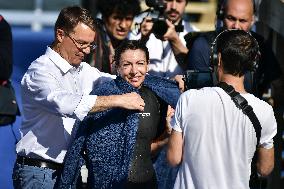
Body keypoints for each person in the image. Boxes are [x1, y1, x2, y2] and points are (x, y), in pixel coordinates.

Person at [12, 6, 145, 189]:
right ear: (60, 35)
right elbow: (66, 104)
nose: (87, 51)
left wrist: (158, 81)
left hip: (68, 172)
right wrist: (119, 100)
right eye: (81, 43)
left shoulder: (82, 70)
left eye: (90, 45)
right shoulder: (40, 71)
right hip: (39, 174)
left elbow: (118, 81)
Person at [57, 40, 181, 189]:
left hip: (149, 183)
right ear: (116, 66)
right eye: (127, 64)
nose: (134, 71)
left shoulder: (157, 97)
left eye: (140, 63)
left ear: (147, 64)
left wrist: (166, 137)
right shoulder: (103, 96)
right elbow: (79, 146)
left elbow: (142, 148)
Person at [167, 29, 277, 189]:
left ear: (217, 59)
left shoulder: (188, 99)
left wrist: (170, 128)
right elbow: (265, 169)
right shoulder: (265, 111)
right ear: (252, 64)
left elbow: (173, 158)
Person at [186, 0, 281, 98]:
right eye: (231, 18)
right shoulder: (202, 45)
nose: (236, 26)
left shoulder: (261, 45)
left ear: (252, 20)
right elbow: (197, 97)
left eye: (243, 21)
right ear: (221, 14)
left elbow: (278, 85)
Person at [133, 0, 198, 78]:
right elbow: (129, 64)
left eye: (179, 1)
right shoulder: (142, 28)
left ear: (186, 3)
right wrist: (143, 40)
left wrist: (174, 40)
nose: (173, 7)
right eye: (169, 0)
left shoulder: (194, 33)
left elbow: (196, 69)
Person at [87, 0, 141, 74]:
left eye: (128, 19)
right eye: (117, 18)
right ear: (104, 17)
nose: (123, 25)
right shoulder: (90, 38)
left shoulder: (127, 44)